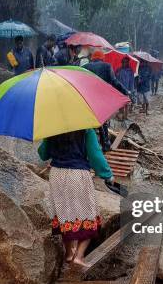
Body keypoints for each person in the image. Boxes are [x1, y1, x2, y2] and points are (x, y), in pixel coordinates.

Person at [38, 129, 113, 267]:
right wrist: (107, 174)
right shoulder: (86, 130)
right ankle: (79, 256)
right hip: (77, 175)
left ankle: (68, 253)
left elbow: (43, 154)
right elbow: (95, 156)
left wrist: (47, 139)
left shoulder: (52, 129)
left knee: (64, 214)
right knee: (89, 216)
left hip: (56, 175)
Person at [85, 50, 130, 150]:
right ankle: (105, 144)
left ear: (92, 58)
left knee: (91, 122)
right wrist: (125, 91)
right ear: (102, 58)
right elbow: (114, 81)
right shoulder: (107, 66)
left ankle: (91, 146)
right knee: (103, 121)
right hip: (102, 98)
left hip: (89, 99)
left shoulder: (85, 67)